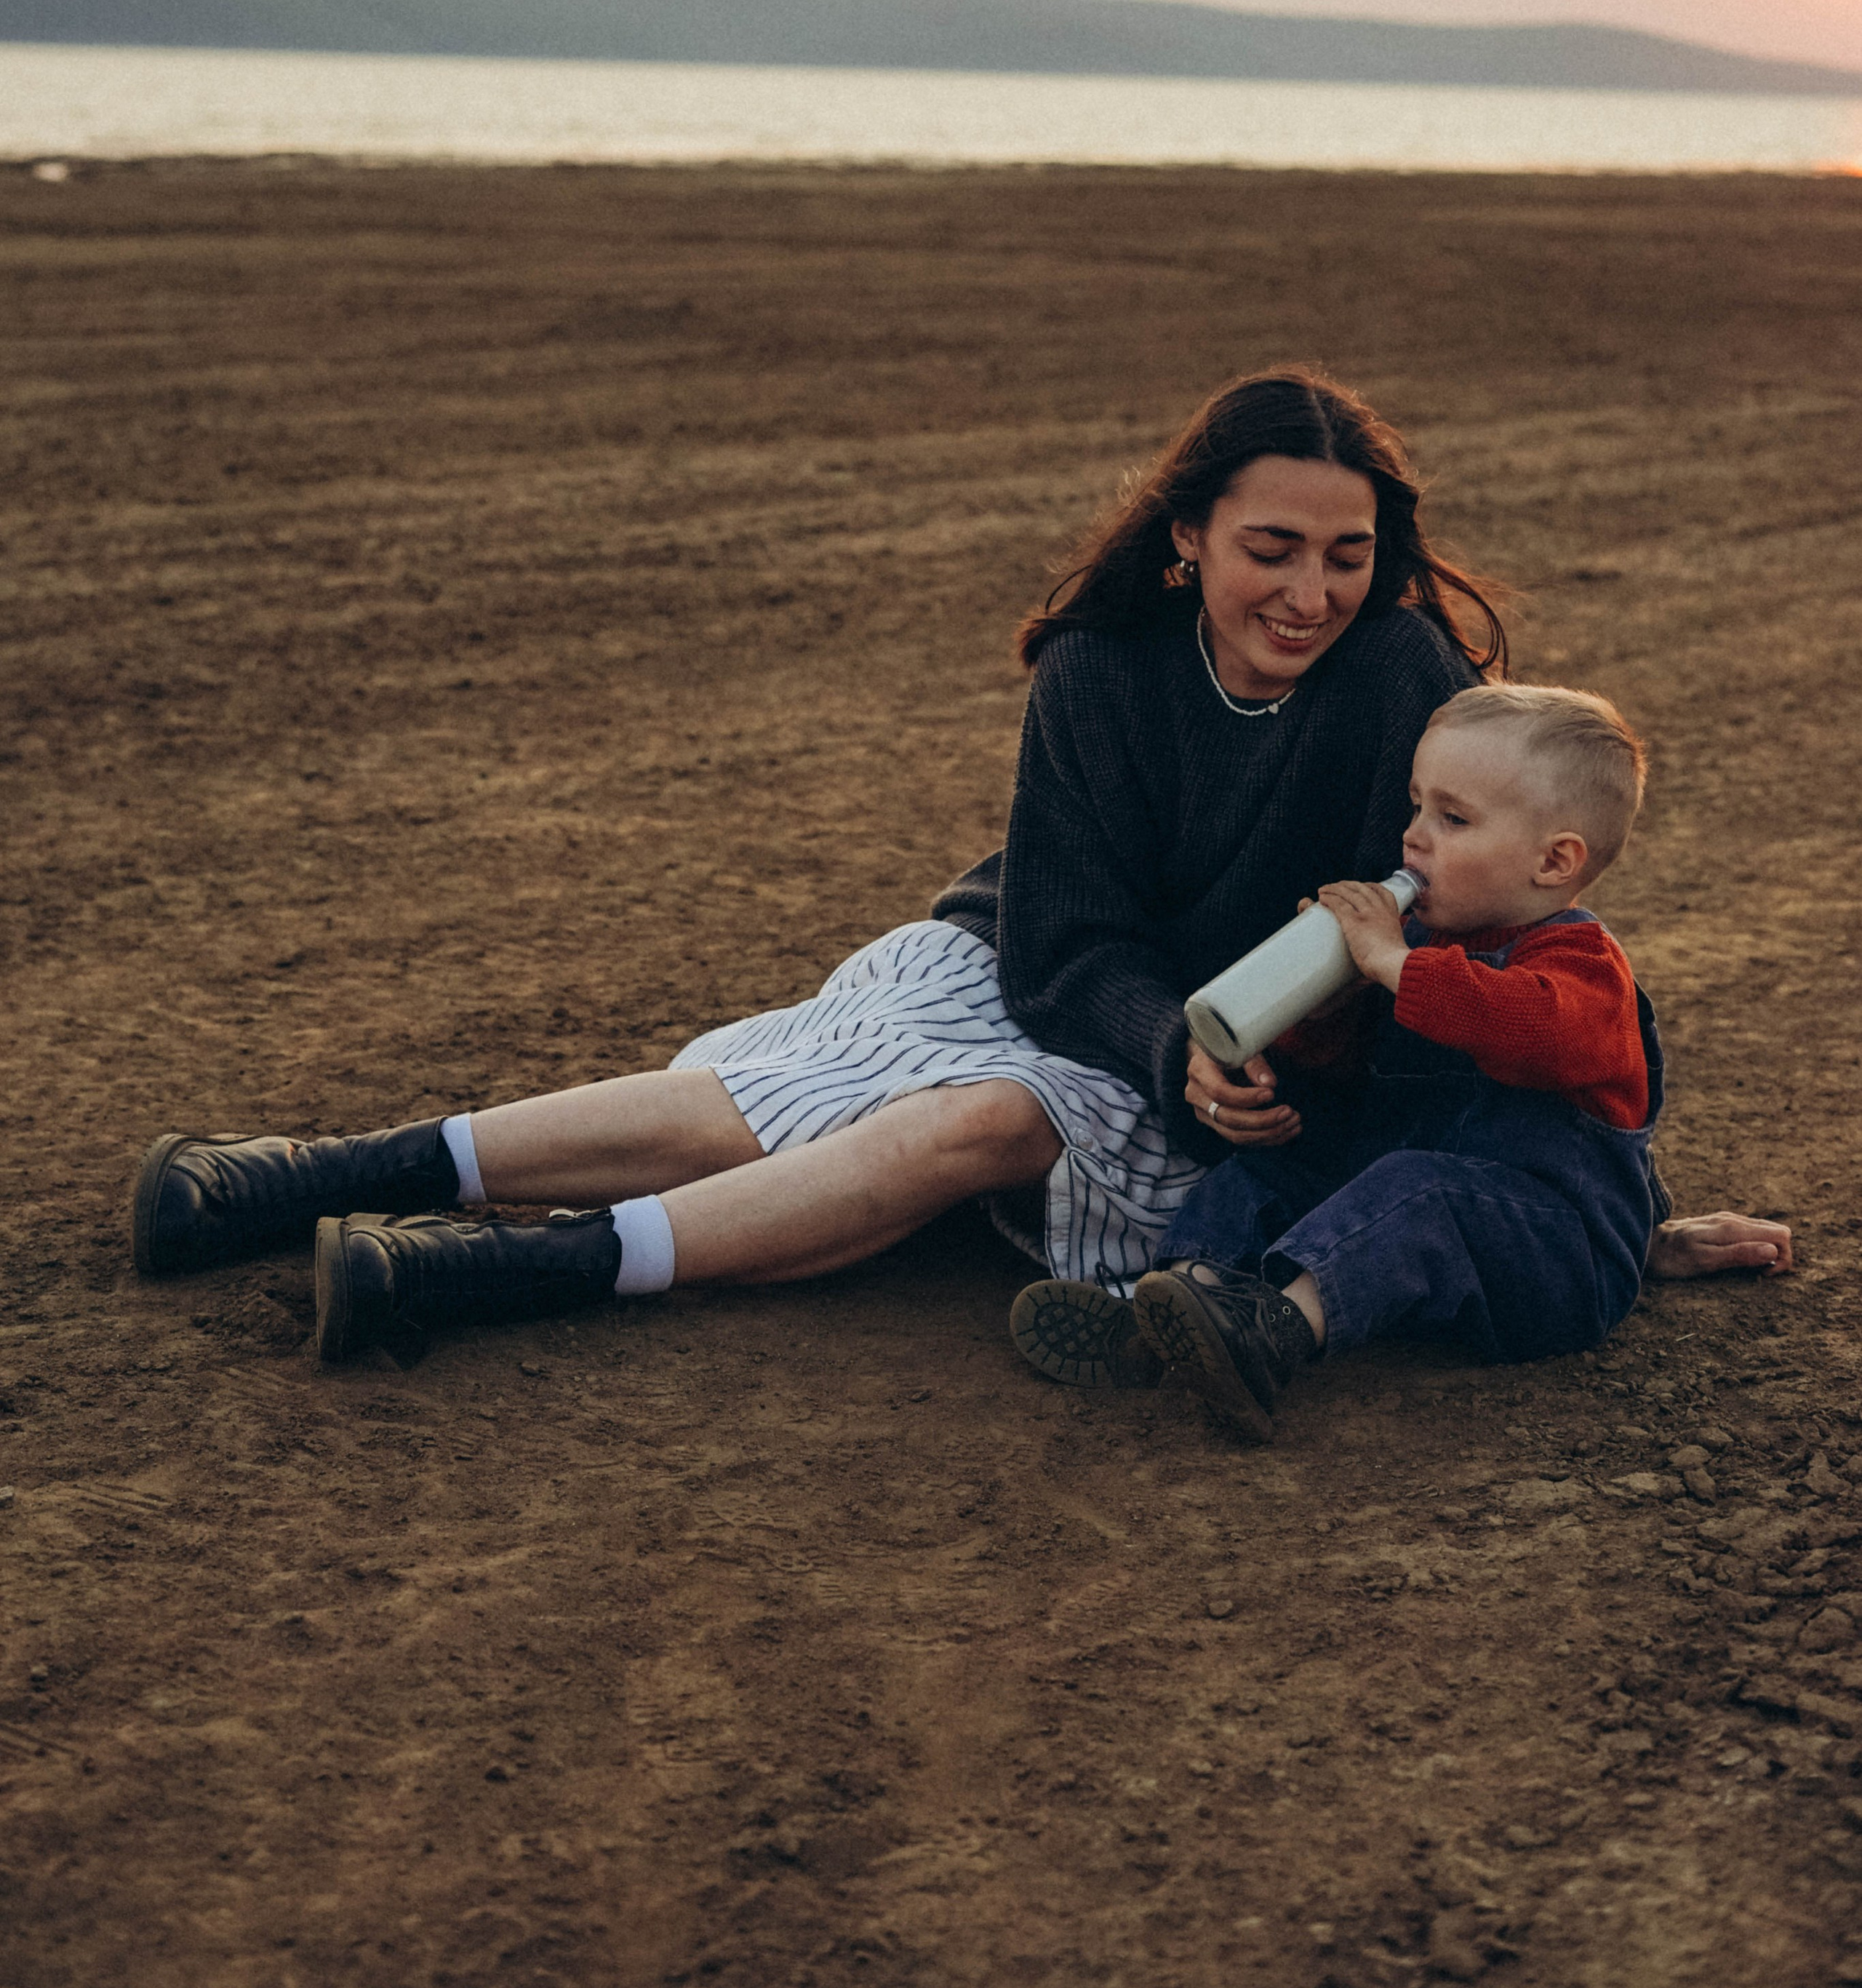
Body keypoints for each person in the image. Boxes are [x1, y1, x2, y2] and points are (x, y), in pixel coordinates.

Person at [129, 367, 1785, 1368]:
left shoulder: (1401, 683)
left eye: (1345, 554)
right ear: (1186, 534)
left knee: (966, 1122)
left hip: (1229, 1060)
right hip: (1060, 974)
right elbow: (1058, 941)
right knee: (773, 1091)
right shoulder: (1101, 670)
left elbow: (1495, 935)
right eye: (1270, 547)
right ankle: (311, 1172)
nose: (1309, 588)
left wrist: (1597, 1201)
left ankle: (502, 1273)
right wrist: (1157, 1043)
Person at [1011, 684, 1790, 1437]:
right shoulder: (1421, 948)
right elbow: (1367, 1073)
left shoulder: (1583, 968)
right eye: (1415, 805)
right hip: (1432, 1218)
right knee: (1269, 1174)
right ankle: (1179, 1309)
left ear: (1553, 862)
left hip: (1556, 1261)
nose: (1415, 836)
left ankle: (1272, 1332)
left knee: (1415, 1189)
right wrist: (1317, 1011)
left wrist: (1388, 962)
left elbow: (1526, 1029)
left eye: (1452, 818)